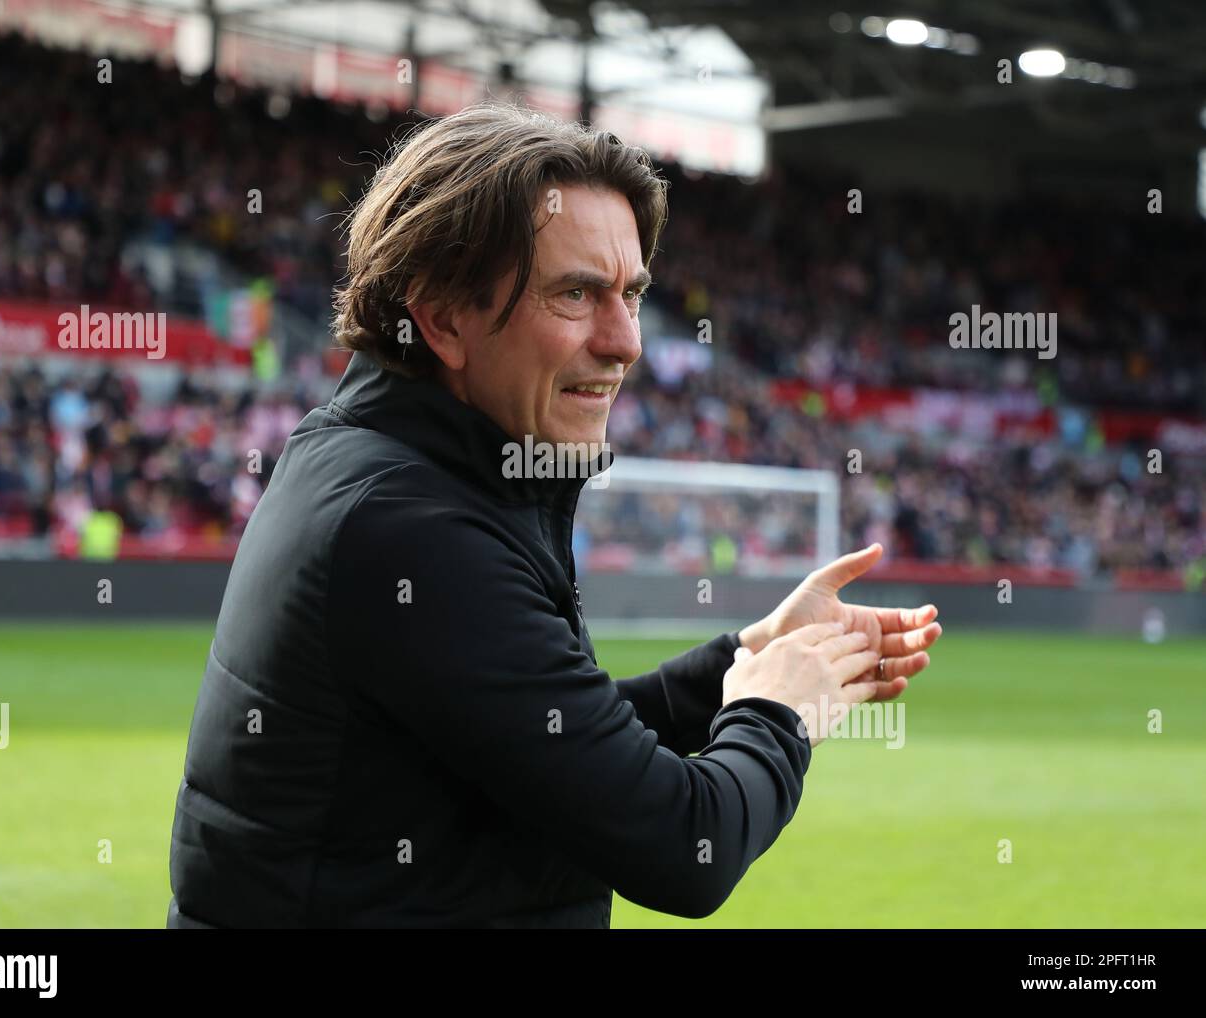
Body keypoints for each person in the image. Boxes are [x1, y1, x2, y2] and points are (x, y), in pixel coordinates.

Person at [165, 102, 942, 929]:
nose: (627, 342)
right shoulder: (412, 529)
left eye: (632, 294)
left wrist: (745, 659)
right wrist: (778, 712)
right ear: (441, 317)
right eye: (577, 294)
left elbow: (548, 744)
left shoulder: (385, 466)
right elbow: (687, 845)